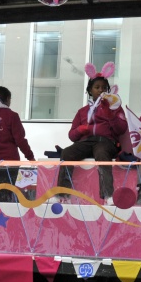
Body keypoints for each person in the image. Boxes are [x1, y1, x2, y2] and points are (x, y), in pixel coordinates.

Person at [57, 68, 126, 205]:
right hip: (87, 142)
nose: (101, 90)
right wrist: (80, 131)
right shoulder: (82, 111)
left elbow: (122, 129)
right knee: (67, 152)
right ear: (90, 91)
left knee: (101, 153)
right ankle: (62, 194)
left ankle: (108, 195)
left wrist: (111, 116)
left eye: (104, 88)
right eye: (97, 87)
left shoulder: (115, 107)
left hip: (106, 142)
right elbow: (72, 136)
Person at [0, 86, 35, 202]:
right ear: (7, 99)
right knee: (6, 197)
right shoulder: (12, 116)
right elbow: (20, 140)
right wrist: (30, 157)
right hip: (10, 162)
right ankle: (4, 219)